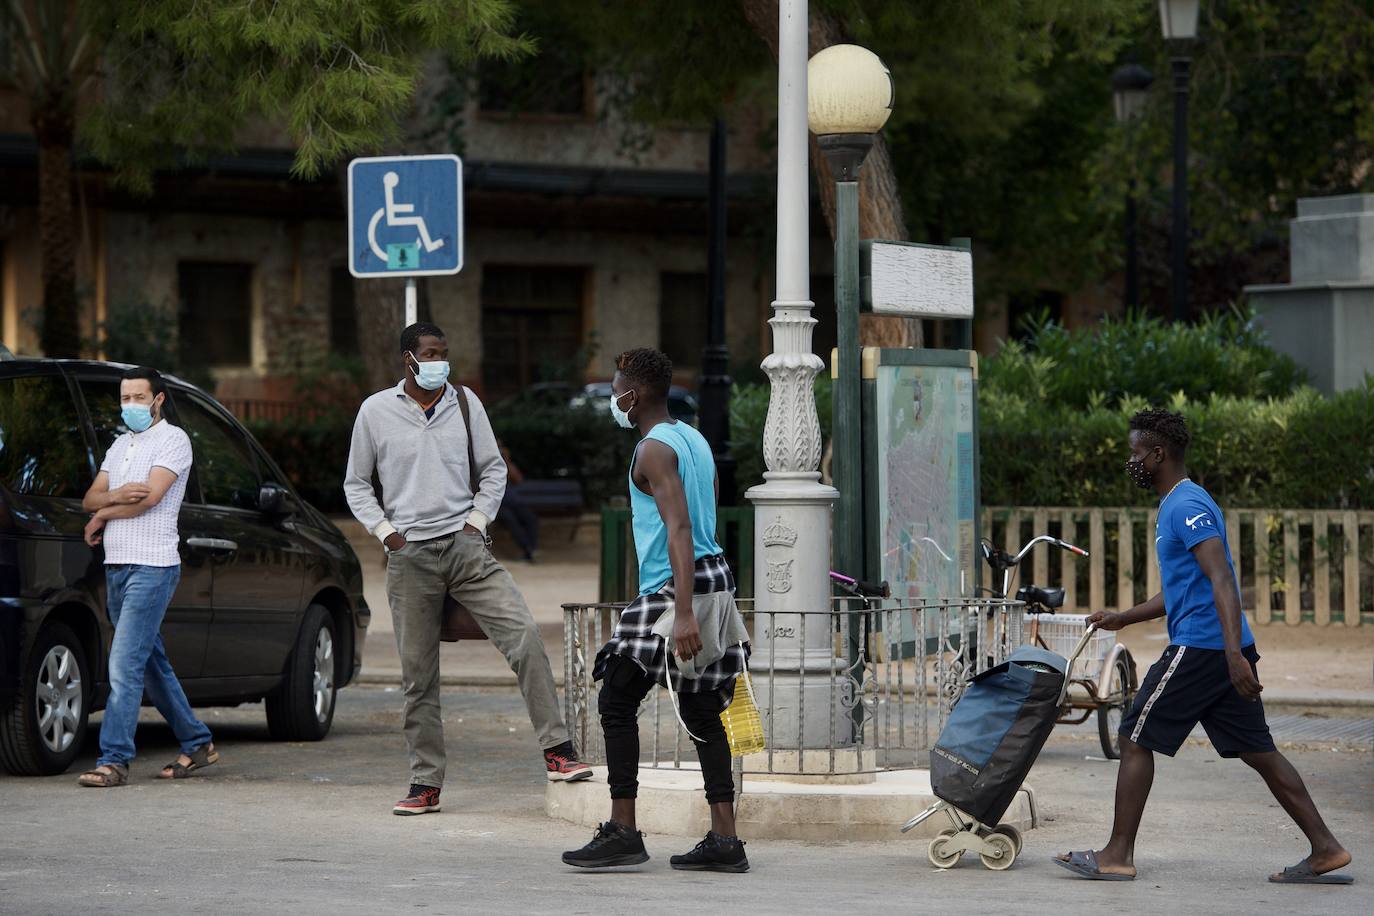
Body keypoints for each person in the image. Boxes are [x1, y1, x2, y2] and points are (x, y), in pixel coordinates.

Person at [1055, 408, 1352, 886]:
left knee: (1134, 737)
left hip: (1203, 648)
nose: (1131, 462)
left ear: (1158, 453)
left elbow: (1222, 580)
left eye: (1136, 453)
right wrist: (1124, 618)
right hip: (1220, 650)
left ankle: (1116, 854)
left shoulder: (1186, 505)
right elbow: (1182, 590)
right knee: (1259, 751)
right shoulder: (1177, 502)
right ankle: (1326, 849)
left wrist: (1233, 656)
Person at [344, 322, 590, 816]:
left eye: (444, 352)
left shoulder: (464, 402)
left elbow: (493, 468)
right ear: (408, 359)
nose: (440, 361)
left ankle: (558, 751)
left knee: (525, 638)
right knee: (418, 677)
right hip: (409, 557)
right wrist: (387, 533)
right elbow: (356, 484)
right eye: (430, 353)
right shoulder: (375, 411)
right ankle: (425, 782)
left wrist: (476, 523)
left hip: (466, 549)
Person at [562, 348, 751, 873]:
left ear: (634, 394)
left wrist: (684, 612)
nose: (613, 400)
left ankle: (623, 830)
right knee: (701, 708)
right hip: (713, 576)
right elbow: (708, 513)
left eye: (616, 391)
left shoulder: (651, 450)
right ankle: (725, 839)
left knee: (617, 696)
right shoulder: (693, 439)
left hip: (675, 587)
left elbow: (681, 527)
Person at [76, 367, 217, 787]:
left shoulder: (173, 440)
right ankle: (198, 743)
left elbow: (150, 498)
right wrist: (114, 498)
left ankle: (114, 759)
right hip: (117, 565)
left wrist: (103, 511)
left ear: (158, 400)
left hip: (152, 566)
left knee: (123, 665)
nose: (131, 405)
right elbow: (89, 498)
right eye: (125, 398)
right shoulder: (120, 445)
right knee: (151, 663)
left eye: (139, 397)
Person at [497, 442, 539, 562]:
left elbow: (518, 479)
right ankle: (528, 549)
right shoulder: (484, 465)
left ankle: (532, 549)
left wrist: (506, 461)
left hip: (514, 502)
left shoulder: (506, 464)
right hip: (498, 504)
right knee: (511, 520)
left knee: (531, 518)